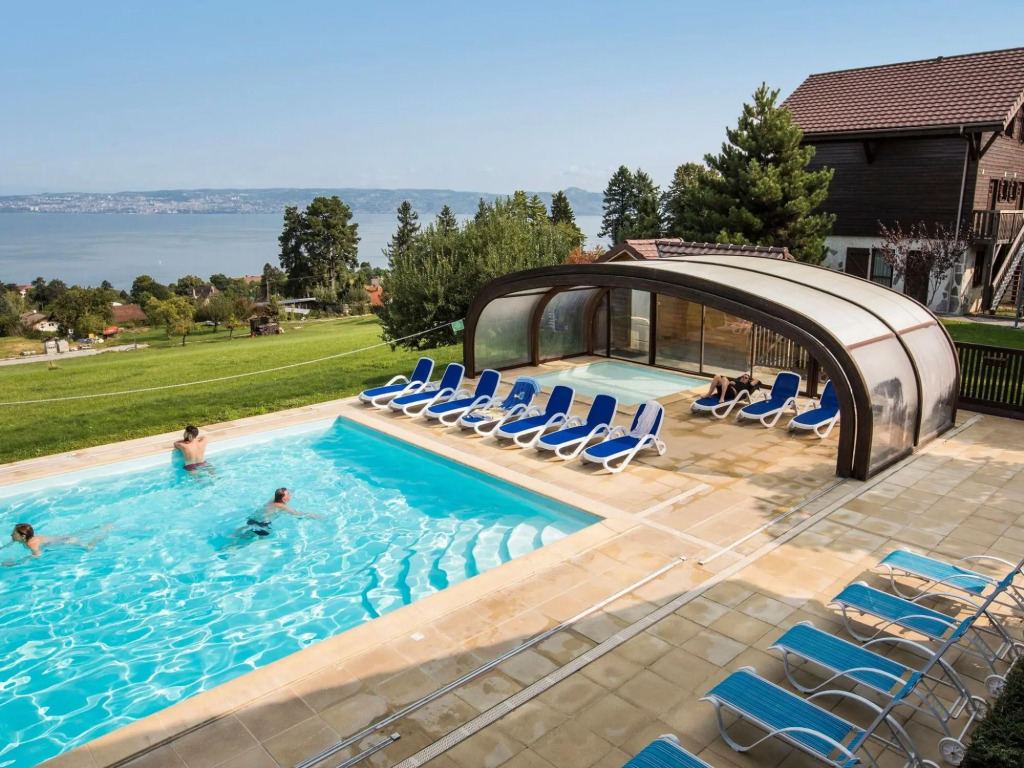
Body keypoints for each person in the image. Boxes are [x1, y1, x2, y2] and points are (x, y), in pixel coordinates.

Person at [230, 488, 322, 544]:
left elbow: (278, 494)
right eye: (288, 494)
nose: (290, 495)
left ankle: (233, 541)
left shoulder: (273, 500)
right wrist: (312, 515)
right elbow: (295, 514)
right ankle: (234, 547)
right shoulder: (281, 506)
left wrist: (290, 491)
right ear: (283, 498)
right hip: (262, 526)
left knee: (246, 534)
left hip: (253, 519)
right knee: (255, 540)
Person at [6, 522, 112, 562]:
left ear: (23, 536)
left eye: (14, 533)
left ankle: (105, 531)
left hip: (67, 541)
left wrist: (17, 562)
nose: (11, 535)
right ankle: (99, 527)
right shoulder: (29, 538)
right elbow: (11, 542)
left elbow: (38, 555)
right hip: (62, 538)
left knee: (89, 547)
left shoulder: (31, 544)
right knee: (79, 533)